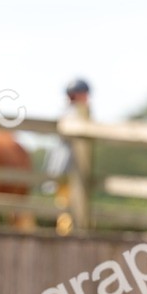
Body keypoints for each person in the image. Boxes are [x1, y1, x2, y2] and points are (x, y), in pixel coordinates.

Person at [43, 78, 91, 233]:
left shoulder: (69, 111)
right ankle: (66, 235)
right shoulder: (74, 112)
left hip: (69, 166)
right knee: (66, 205)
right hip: (67, 166)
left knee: (68, 204)